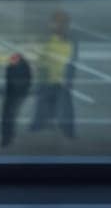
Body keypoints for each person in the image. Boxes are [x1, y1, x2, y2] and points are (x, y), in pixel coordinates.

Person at [29, 10, 78, 140]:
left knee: (64, 106)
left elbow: (72, 61)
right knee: (43, 103)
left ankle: (67, 130)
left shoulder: (70, 41)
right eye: (58, 23)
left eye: (63, 23)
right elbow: (38, 56)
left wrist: (69, 79)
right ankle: (39, 126)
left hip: (60, 80)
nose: (61, 26)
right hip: (47, 78)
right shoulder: (47, 39)